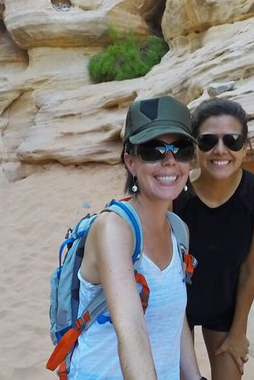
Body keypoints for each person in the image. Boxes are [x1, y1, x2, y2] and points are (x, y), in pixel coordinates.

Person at [70, 95, 203, 379]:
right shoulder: (114, 229)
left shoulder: (179, 230)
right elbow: (131, 328)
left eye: (180, 149)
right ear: (130, 162)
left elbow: (175, 315)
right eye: (153, 150)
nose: (170, 161)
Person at [173, 98, 254, 379]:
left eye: (232, 140)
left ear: (245, 146)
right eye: (208, 141)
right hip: (176, 310)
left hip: (225, 308)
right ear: (195, 146)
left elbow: (250, 269)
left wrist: (238, 332)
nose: (220, 150)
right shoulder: (176, 197)